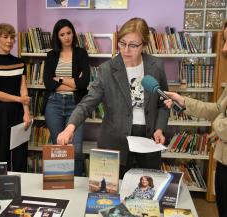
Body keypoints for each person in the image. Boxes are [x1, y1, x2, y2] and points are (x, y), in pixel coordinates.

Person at [57, 17, 169, 177]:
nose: (126, 50)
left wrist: (159, 129)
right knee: (112, 195)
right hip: (114, 142)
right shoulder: (107, 69)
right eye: (122, 43)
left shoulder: (156, 66)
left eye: (133, 45)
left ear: (144, 45)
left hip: (149, 141)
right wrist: (70, 127)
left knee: (146, 191)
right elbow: (87, 103)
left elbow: (164, 102)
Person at [163, 21, 227, 217]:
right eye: (224, 41)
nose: (224, 48)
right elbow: (217, 109)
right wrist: (183, 101)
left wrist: (217, 128)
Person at [43, 19, 90, 176]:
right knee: (58, 148)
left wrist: (60, 79)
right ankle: (59, 185)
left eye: (69, 33)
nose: (66, 37)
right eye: (62, 34)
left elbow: (83, 83)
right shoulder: (51, 55)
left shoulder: (81, 53)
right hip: (54, 104)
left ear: (73, 33)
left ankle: (75, 184)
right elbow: (48, 83)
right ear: (57, 37)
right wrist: (73, 83)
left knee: (76, 149)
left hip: (76, 105)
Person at [0, 23, 30, 172]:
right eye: (5, 37)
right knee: (3, 153)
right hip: (0, 113)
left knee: (20, 155)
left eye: (12, 37)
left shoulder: (20, 62)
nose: (9, 41)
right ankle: (5, 190)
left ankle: (20, 190)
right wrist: (19, 99)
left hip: (19, 112)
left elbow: (23, 88)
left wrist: (27, 112)